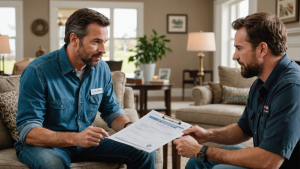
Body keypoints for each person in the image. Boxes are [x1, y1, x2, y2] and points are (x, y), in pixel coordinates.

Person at [15, 8, 156, 169]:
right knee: (52, 163)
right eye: (96, 42)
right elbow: (29, 131)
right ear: (74, 39)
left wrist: (130, 128)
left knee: (145, 150)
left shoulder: (101, 69)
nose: (103, 50)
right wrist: (76, 138)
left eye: (105, 42)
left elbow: (112, 111)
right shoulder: (38, 71)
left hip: (86, 144)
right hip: (45, 146)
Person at [173, 12, 300, 169]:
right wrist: (207, 135)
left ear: (262, 49)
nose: (235, 56)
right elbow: (243, 129)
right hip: (264, 159)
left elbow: (269, 161)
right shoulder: (261, 82)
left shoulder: (292, 88)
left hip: (273, 163)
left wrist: (200, 150)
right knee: (197, 162)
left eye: (239, 48)